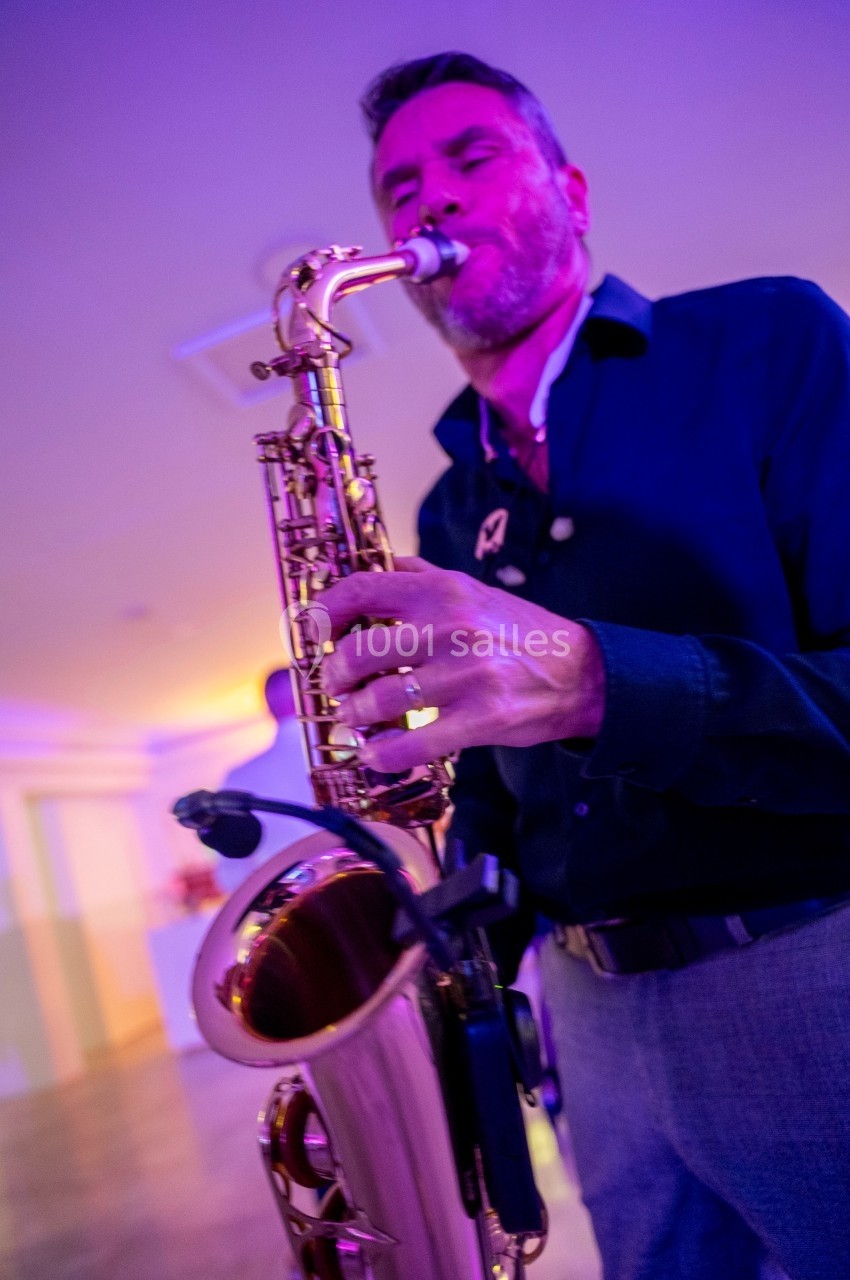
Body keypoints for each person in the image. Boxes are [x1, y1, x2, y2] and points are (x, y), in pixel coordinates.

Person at [316, 52, 850, 1280]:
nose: (432, 199)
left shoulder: (766, 339)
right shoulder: (449, 508)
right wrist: (430, 968)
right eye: (400, 188)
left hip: (805, 963)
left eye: (472, 156)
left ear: (570, 190)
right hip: (585, 1017)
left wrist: (600, 681)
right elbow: (494, 796)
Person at [215, 668, 314, 894]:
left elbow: (230, 875)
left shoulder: (238, 777)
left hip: (291, 897)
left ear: (270, 710)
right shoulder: (348, 748)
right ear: (310, 698)